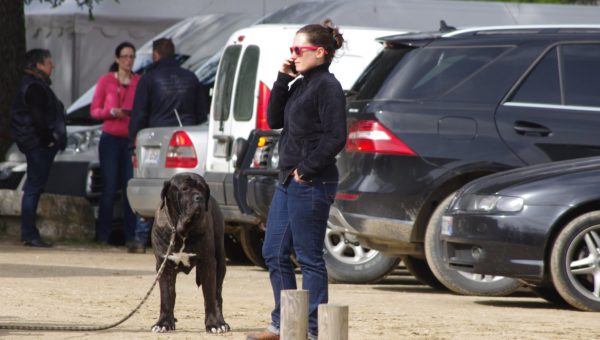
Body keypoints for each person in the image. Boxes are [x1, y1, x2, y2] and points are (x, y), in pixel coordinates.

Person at [246, 20, 346, 340]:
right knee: (273, 252)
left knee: (309, 257)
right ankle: (285, 323)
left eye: (299, 50)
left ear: (320, 52)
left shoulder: (327, 86)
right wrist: (281, 78)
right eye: (292, 49)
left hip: (312, 182)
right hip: (288, 181)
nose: (294, 54)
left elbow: (336, 137)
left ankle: (313, 331)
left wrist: (306, 170)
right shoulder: (301, 83)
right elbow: (274, 119)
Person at [127, 38, 209, 253]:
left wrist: (133, 142)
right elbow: (202, 112)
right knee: (183, 192)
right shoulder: (191, 77)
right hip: (184, 139)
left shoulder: (148, 78)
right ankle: (185, 238)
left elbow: (139, 114)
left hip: (153, 136)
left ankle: (141, 238)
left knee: (151, 184)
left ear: (155, 55)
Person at [10, 49, 67, 248]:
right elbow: (38, 117)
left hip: (35, 143)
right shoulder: (34, 86)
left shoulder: (32, 84)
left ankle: (29, 233)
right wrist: (49, 140)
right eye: (49, 63)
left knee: (33, 186)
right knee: (33, 187)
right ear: (39, 65)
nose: (52, 67)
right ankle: (30, 234)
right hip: (38, 144)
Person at [90, 42, 140, 246]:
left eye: (132, 56)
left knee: (129, 187)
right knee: (109, 187)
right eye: (125, 56)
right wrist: (111, 112)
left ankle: (131, 236)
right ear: (117, 59)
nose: (128, 60)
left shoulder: (139, 81)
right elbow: (94, 111)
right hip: (110, 138)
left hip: (129, 139)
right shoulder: (106, 81)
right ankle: (103, 235)